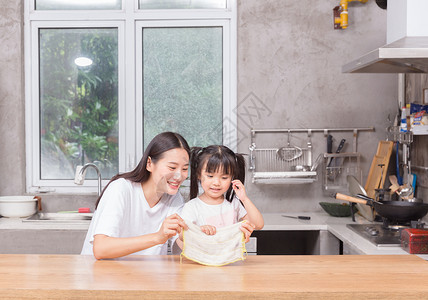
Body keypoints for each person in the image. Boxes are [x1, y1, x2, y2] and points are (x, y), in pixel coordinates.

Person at [81, 132, 190, 259]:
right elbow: (101, 249)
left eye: (184, 169)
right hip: (102, 275)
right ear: (149, 164)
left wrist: (194, 234)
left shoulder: (174, 199)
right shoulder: (121, 189)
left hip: (142, 276)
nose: (179, 176)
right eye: (172, 167)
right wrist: (157, 237)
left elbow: (182, 241)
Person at [179, 145, 263, 244]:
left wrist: (244, 199)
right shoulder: (192, 207)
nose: (217, 183)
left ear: (232, 178)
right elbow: (181, 235)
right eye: (210, 176)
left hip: (231, 258)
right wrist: (199, 230)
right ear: (199, 174)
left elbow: (258, 225)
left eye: (224, 177)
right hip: (202, 258)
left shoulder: (234, 203)